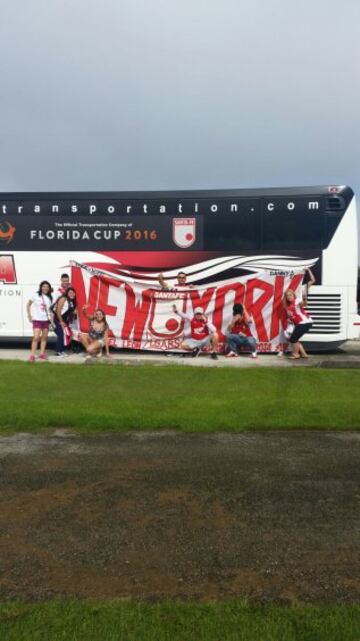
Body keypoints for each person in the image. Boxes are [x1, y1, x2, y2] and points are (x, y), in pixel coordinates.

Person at [26, 280, 53, 361]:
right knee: (36, 337)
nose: (45, 288)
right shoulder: (35, 295)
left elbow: (50, 310)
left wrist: (51, 317)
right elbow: (28, 304)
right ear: (41, 287)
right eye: (44, 286)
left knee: (44, 338)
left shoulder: (50, 297)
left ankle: (42, 354)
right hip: (37, 320)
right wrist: (29, 315)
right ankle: (32, 355)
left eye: (47, 287)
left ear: (49, 288)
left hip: (46, 320)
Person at [283, 286, 313, 359]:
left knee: (293, 339)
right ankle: (304, 354)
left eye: (290, 295)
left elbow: (304, 304)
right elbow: (292, 317)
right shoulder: (289, 306)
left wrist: (305, 298)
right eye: (287, 296)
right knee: (295, 338)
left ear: (294, 295)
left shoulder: (297, 301)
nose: (289, 297)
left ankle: (296, 354)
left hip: (304, 322)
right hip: (301, 323)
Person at [52, 287, 77, 357]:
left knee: (65, 336)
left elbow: (71, 312)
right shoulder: (63, 299)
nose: (72, 294)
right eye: (70, 293)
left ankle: (61, 351)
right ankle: (58, 352)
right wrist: (61, 321)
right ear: (67, 293)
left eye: (73, 293)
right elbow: (58, 311)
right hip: (58, 320)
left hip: (65, 321)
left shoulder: (72, 301)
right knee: (61, 335)